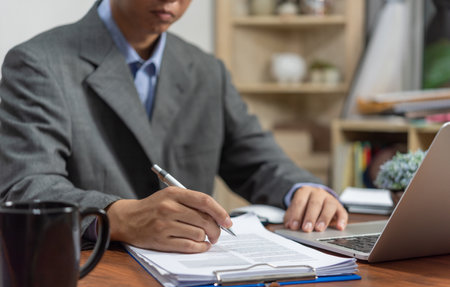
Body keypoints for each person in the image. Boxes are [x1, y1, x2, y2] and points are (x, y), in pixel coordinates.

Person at [0, 0, 347, 253]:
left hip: (196, 276)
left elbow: (258, 158)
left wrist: (303, 189)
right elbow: (26, 185)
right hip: (92, 273)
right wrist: (118, 217)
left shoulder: (207, 70)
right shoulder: (38, 62)